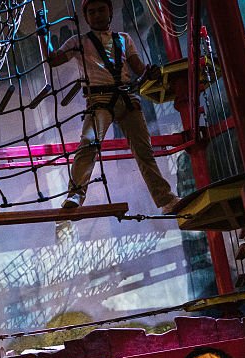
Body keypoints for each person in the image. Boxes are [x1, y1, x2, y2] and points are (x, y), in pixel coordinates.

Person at [39, 0, 178, 214]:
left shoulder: (124, 39)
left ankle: (166, 199)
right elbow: (53, 59)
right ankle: (75, 194)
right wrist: (43, 34)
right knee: (88, 143)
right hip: (99, 101)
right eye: (92, 12)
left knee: (144, 151)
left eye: (100, 10)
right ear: (86, 17)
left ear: (110, 11)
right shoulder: (79, 42)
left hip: (127, 98)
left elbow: (138, 68)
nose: (96, 15)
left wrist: (149, 72)